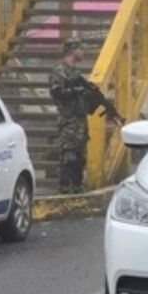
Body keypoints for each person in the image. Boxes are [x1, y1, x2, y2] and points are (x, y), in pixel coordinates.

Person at [49, 38, 117, 194]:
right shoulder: (59, 71)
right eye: (81, 49)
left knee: (80, 155)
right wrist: (78, 91)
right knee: (68, 154)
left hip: (80, 119)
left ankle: (77, 186)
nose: (83, 52)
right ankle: (65, 187)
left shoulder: (75, 73)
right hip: (69, 119)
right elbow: (57, 92)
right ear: (73, 50)